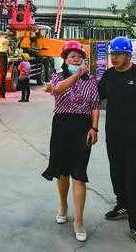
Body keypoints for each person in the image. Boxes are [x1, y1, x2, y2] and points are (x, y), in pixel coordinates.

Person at [98, 36, 136, 246]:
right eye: (112, 54)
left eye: (118, 54)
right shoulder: (108, 76)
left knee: (134, 181)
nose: (114, 58)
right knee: (117, 175)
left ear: (128, 55)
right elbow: (96, 98)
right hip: (114, 137)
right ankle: (122, 205)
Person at [41, 41, 100, 243]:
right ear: (65, 60)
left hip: (82, 128)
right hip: (62, 126)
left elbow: (94, 105)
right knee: (62, 172)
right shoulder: (58, 77)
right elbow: (57, 90)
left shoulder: (91, 81)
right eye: (72, 56)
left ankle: (79, 220)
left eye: (79, 56)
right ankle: (63, 206)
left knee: (79, 174)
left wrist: (94, 128)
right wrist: (76, 75)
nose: (76, 59)